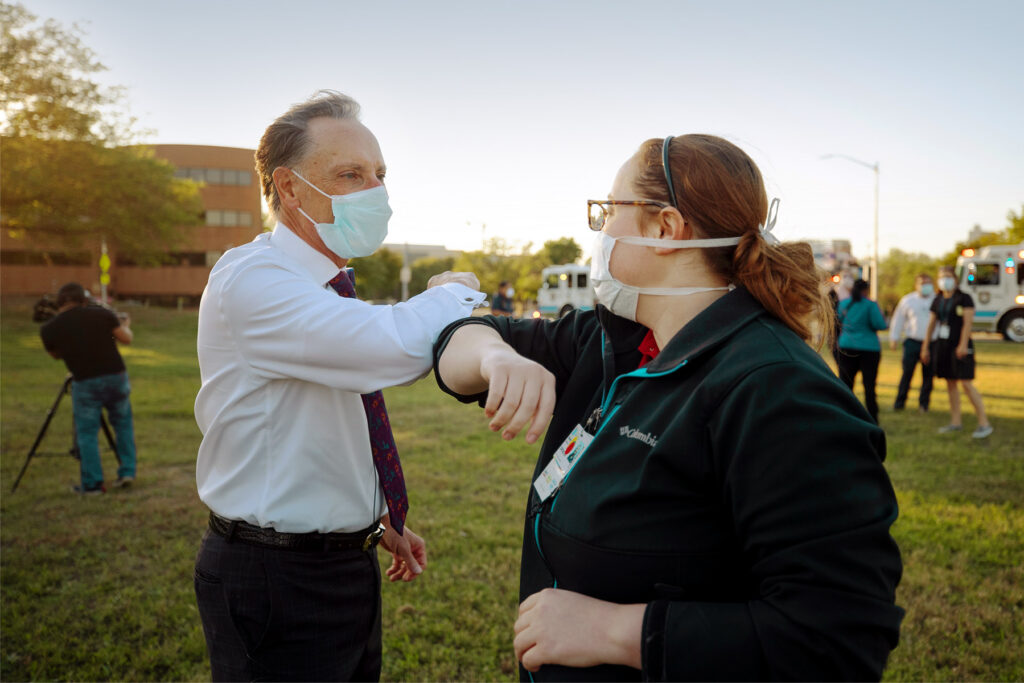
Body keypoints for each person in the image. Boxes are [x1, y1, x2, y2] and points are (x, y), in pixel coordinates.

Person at [434, 135, 903, 681]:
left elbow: (840, 638)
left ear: (664, 228)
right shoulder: (613, 339)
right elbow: (454, 342)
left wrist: (619, 632)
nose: (602, 232)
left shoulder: (776, 389)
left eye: (609, 211)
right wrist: (494, 357)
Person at [192, 90, 484, 681]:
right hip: (276, 574)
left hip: (339, 563)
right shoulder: (253, 278)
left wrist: (373, 518)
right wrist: (455, 291)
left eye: (379, 175)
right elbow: (386, 348)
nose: (375, 190)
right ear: (291, 187)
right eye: (351, 174)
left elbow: (333, 418)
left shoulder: (327, 286)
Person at [39, 282, 137, 494]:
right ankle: (127, 471)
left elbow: (56, 355)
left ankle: (92, 484)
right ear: (83, 299)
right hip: (115, 377)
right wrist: (126, 324)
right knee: (122, 425)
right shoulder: (101, 314)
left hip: (85, 381)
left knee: (87, 434)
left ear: (60, 301)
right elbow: (125, 338)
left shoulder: (49, 328)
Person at [921, 266, 993, 438]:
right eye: (942, 277)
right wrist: (925, 346)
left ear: (955, 278)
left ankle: (984, 423)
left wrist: (962, 345)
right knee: (950, 383)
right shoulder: (938, 299)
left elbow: (967, 324)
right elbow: (931, 324)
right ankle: (955, 422)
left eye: (948, 276)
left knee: (966, 383)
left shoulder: (964, 298)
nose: (945, 280)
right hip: (943, 345)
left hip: (960, 344)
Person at [836, 279, 889, 423]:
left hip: (846, 346)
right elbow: (880, 324)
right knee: (869, 386)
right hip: (869, 349)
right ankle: (872, 418)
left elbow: (837, 321)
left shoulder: (844, 304)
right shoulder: (870, 305)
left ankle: (844, 417)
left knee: (846, 385)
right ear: (866, 290)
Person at [889, 274, 936, 411]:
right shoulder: (908, 300)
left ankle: (924, 404)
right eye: (922, 283)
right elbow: (898, 320)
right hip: (912, 342)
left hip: (932, 343)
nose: (925, 286)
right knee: (907, 373)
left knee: (928, 376)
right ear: (916, 285)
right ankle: (899, 403)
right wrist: (894, 337)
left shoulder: (937, 299)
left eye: (928, 283)